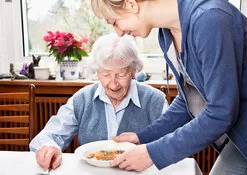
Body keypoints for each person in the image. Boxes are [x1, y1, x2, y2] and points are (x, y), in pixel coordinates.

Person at [91, 0, 247, 174]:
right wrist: (143, 137)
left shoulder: (210, 19)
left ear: (131, 4)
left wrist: (152, 153)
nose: (119, 32)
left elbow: (221, 113)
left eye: (114, 22)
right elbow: (188, 99)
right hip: (244, 135)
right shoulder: (167, 35)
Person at [29, 33, 168, 171]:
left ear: (133, 72)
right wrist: (48, 148)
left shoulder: (156, 101)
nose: (113, 84)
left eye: (121, 75)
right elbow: (50, 135)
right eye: (106, 74)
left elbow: (171, 144)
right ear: (96, 71)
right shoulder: (82, 99)